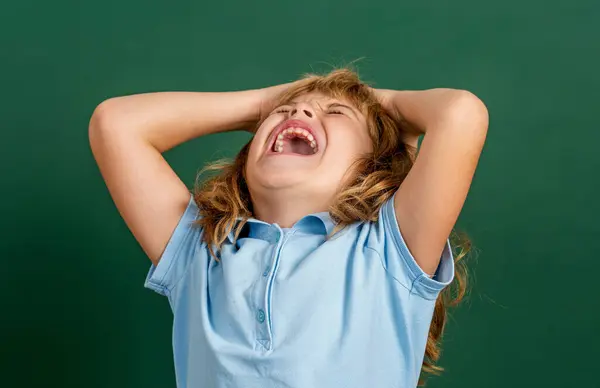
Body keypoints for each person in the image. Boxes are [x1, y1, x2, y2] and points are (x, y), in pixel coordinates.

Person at [88, 68, 488, 388]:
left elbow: (461, 113)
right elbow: (115, 124)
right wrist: (265, 102)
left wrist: (382, 106)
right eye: (283, 111)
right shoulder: (202, 254)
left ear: (376, 167)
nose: (298, 113)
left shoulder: (389, 249)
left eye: (336, 113)